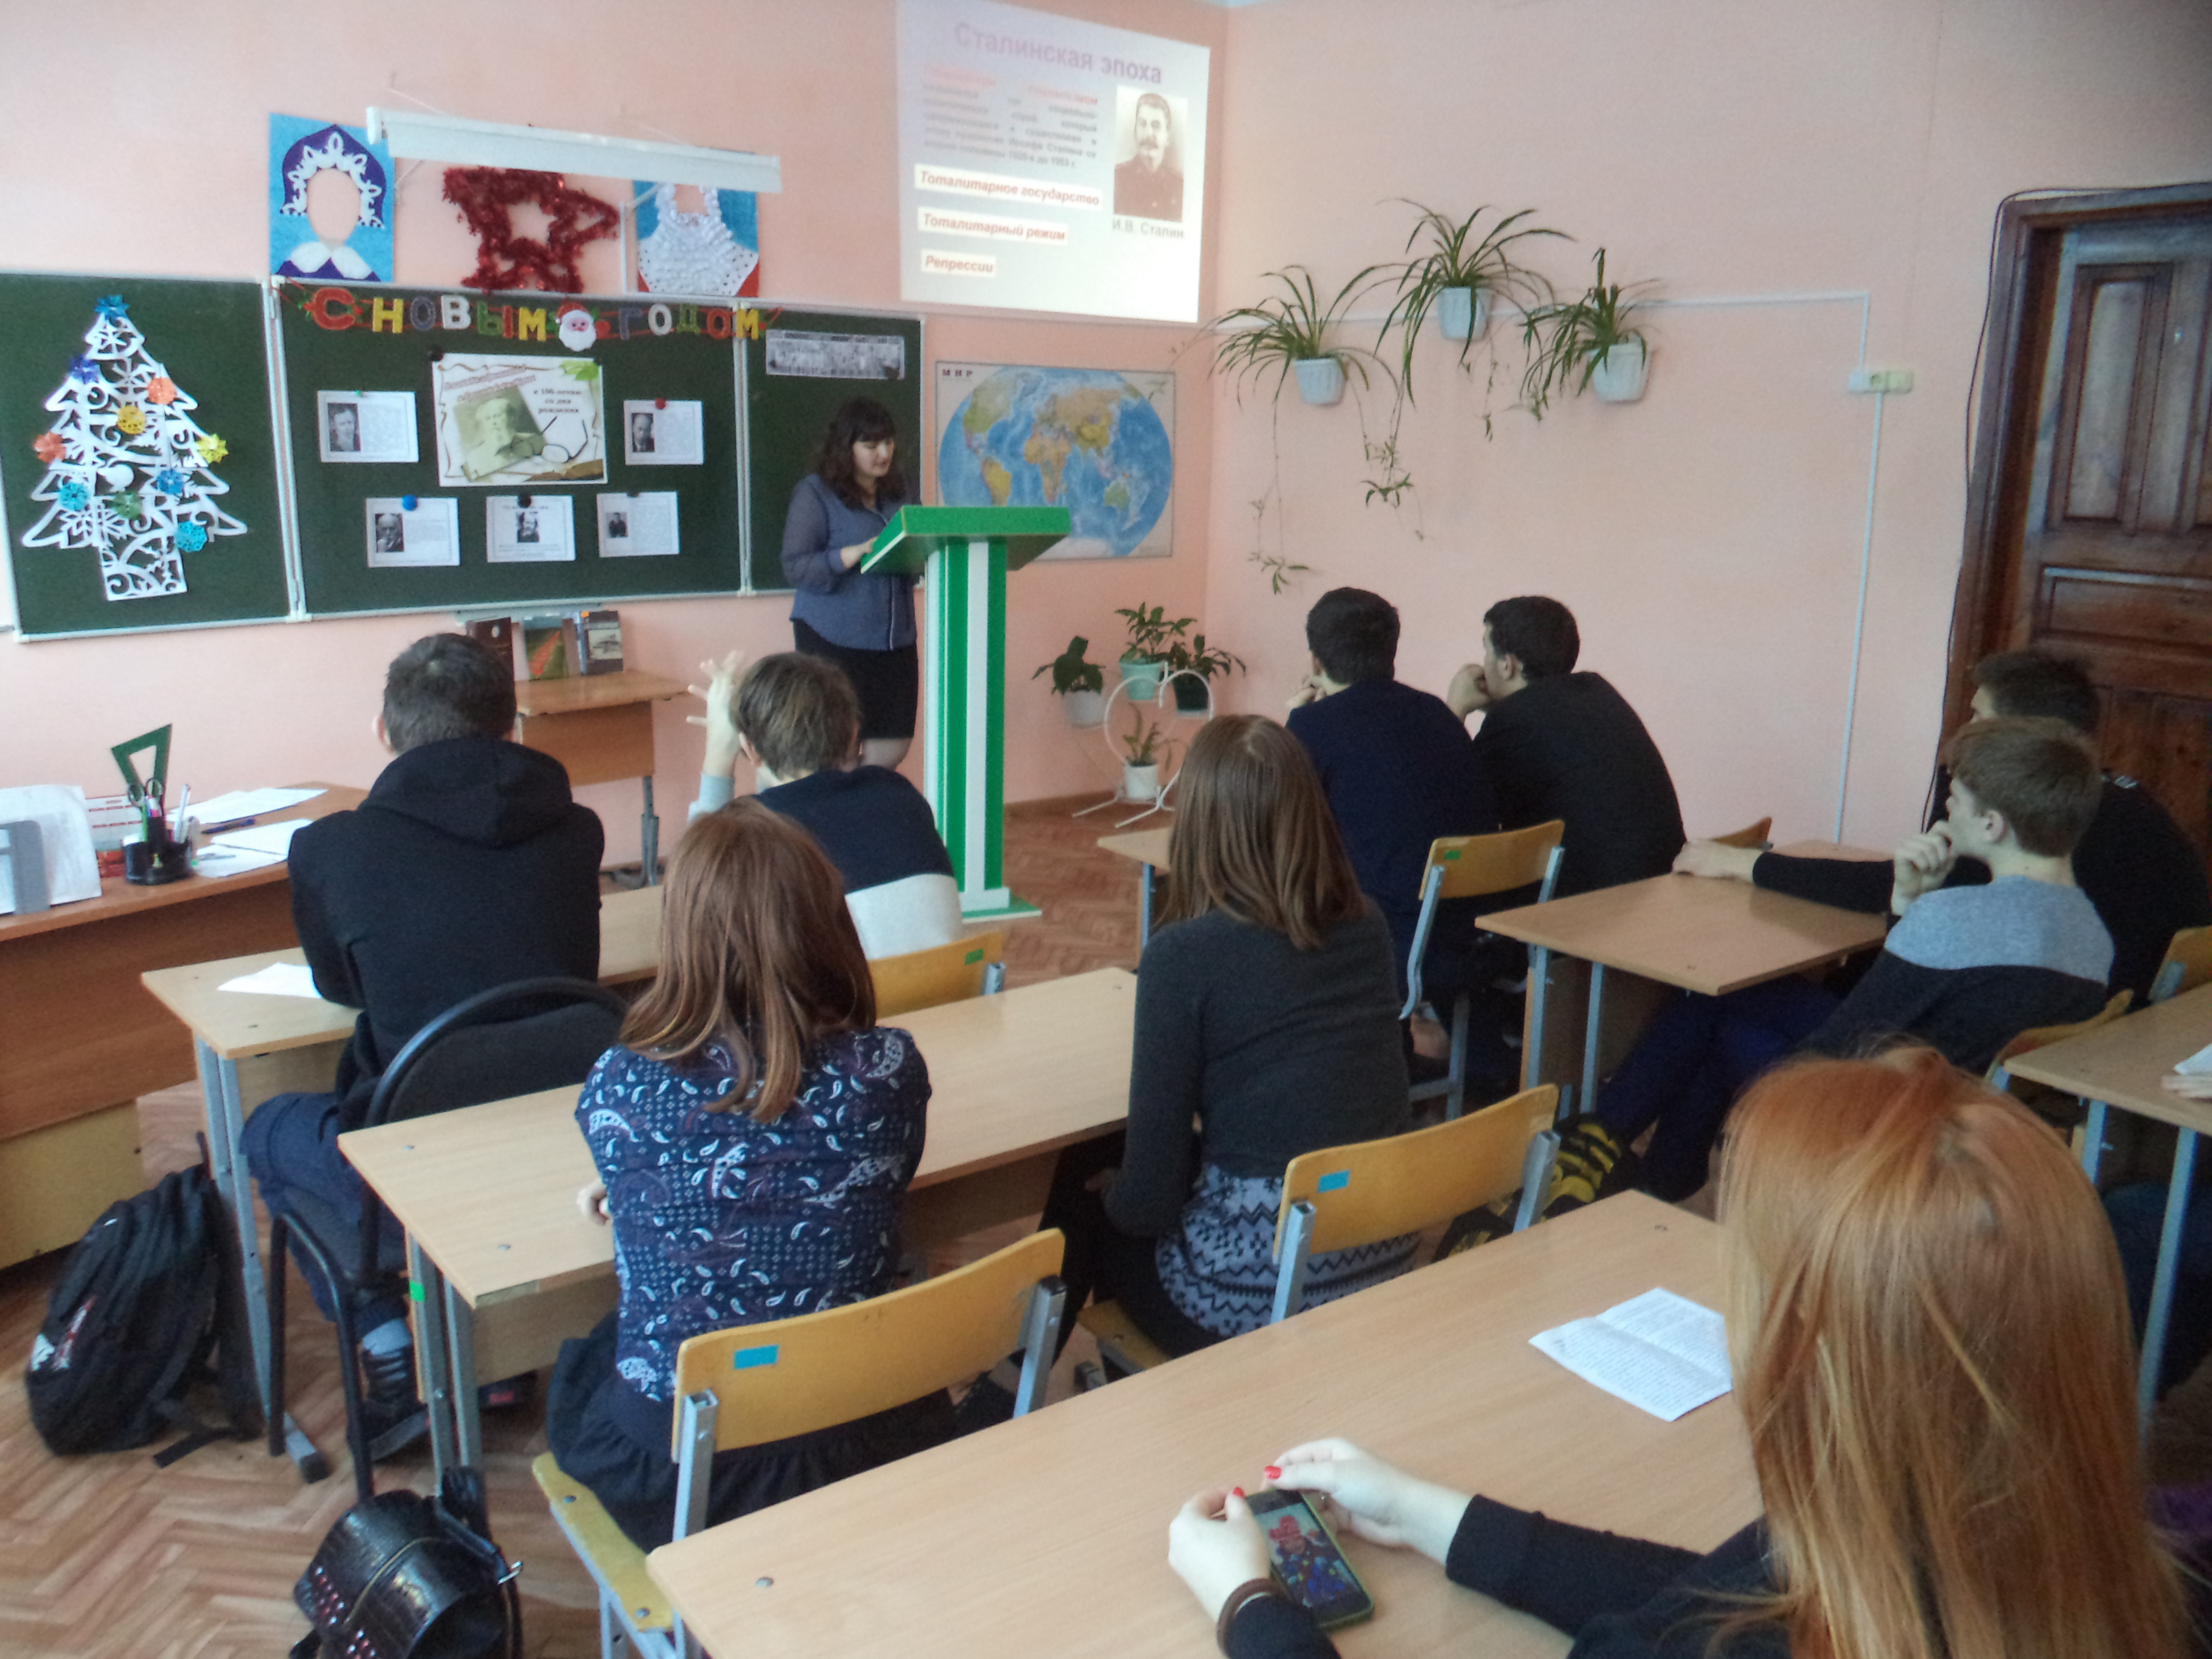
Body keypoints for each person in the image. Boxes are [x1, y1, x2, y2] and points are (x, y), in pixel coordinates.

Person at [1167, 1050, 2193, 1659]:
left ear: (1814, 1361)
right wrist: (1429, 1515)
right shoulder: (2121, 1573)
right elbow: (1733, 1586)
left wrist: (1253, 1610)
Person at [545, 800, 950, 1551]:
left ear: (681, 934)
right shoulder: (887, 1074)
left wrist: (637, 1186)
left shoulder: (621, 1086)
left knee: (590, 1357)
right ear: (826, 924)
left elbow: (698, 1153)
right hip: (854, 1442)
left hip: (675, 1480)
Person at [242, 634, 602, 1439]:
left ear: (385, 731)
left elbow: (340, 987)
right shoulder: (578, 829)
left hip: (415, 1153)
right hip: (563, 1136)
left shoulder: (331, 848)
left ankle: (387, 1339)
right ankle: (496, 1354)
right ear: (512, 725)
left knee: (266, 1128)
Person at [1576, 715, 2114, 1202]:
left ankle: (1610, 1159)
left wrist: (1916, 912)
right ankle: (1651, 1181)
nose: (1947, 807)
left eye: (1957, 797)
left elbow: (1837, 1046)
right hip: (1961, 1107)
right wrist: (1907, 902)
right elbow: (1924, 1002)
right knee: (1720, 1000)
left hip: (1891, 1114)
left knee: (1710, 1016)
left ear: (1992, 825)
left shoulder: (1956, 918)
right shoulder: (2094, 934)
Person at [1035, 717, 1414, 1365]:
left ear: (1199, 825)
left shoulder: (1183, 957)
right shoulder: (1367, 924)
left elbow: (1148, 1204)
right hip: (1381, 1260)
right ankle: (1022, 1387)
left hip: (1248, 1299)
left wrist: (1116, 1195)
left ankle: (1016, 1389)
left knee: (1089, 1184)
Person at [1676, 648, 2210, 1004]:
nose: (1963, 732)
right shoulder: (2124, 799)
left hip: (1987, 1041)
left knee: (1725, 1000)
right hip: (2092, 1024)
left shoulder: (2031, 820)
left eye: (1978, 718)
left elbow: (1893, 897)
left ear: (2019, 737)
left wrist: (1747, 863)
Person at [1286, 587, 1496, 1005]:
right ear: (1392, 652)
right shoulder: (1437, 713)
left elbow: (1281, 832)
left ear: (1315, 662)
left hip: (1387, 944)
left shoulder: (1312, 726)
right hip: (1473, 938)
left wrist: (1296, 717)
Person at [686, 649, 961, 958]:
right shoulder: (900, 794)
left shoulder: (753, 830)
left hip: (850, 991)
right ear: (854, 735)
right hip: (951, 985)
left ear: (751, 749)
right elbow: (793, 798)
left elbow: (692, 898)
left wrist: (719, 754)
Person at [1445, 596, 1683, 900]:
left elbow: (1447, 807)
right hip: (1665, 889)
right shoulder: (1598, 693)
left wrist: (1454, 710)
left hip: (1600, 908)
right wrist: (1502, 709)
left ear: (1508, 665)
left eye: (1486, 650)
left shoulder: (1512, 724)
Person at [782, 397, 915, 769]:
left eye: (888, 442)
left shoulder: (903, 489)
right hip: (832, 639)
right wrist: (850, 555)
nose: (884, 453)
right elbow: (796, 566)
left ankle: (863, 794)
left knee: (894, 744)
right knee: (835, 748)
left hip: (894, 639)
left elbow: (914, 543)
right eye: (871, 445)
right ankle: (844, 799)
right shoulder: (815, 493)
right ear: (847, 447)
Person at [1114, 91, 1185, 222]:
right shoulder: (1117, 179)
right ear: (1135, 131)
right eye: (1142, 124)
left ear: (1168, 137)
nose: (1148, 133)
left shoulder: (1180, 187)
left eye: (1156, 126)